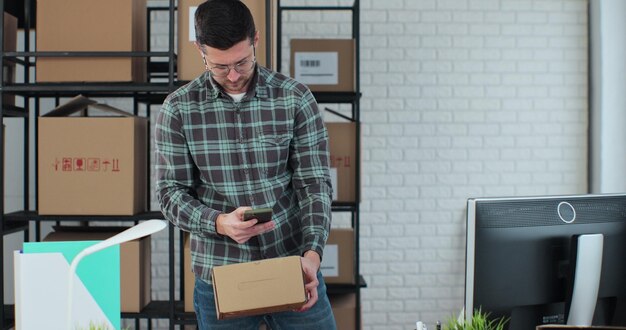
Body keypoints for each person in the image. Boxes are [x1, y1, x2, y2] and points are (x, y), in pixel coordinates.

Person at [154, 0, 335, 329]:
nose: (233, 75)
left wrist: (313, 256)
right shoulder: (178, 109)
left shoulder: (294, 98)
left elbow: (314, 184)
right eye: (220, 67)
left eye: (242, 62)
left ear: (256, 40)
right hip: (222, 275)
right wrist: (221, 222)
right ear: (199, 50)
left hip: (294, 265)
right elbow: (170, 194)